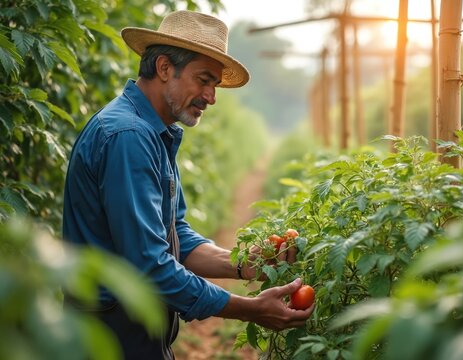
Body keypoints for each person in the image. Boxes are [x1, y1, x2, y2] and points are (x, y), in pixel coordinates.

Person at [62, 10, 314, 360]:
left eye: (214, 85)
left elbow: (173, 235)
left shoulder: (151, 133)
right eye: (204, 80)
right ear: (165, 68)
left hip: (131, 331)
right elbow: (150, 264)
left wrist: (245, 263)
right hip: (108, 337)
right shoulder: (129, 137)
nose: (211, 96)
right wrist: (249, 308)